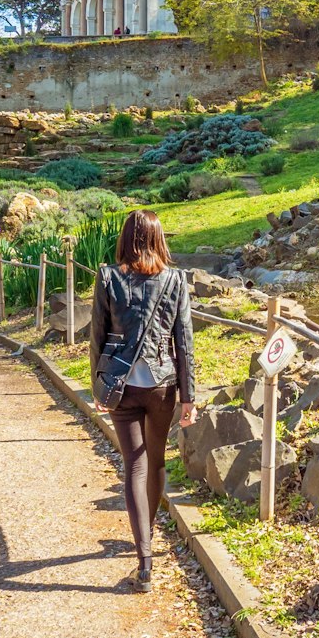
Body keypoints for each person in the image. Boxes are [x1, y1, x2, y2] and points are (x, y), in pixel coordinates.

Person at [88, 209, 195, 589]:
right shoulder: (175, 280)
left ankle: (144, 558)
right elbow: (184, 343)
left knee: (133, 464)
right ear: (158, 239)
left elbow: (97, 338)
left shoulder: (108, 277)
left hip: (122, 386)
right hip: (163, 385)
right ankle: (146, 534)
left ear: (126, 239)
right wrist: (189, 396)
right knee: (156, 459)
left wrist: (97, 385)